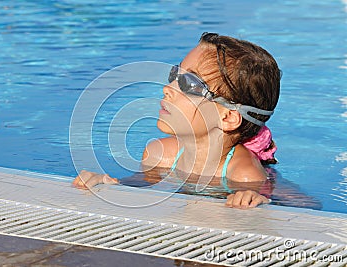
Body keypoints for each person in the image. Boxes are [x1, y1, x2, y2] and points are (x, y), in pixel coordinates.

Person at [73, 32, 282, 209]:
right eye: (175, 74)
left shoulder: (244, 174)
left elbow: (303, 207)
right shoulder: (159, 155)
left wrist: (257, 199)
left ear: (227, 117)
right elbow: (140, 187)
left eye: (189, 84)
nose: (168, 88)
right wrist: (107, 182)